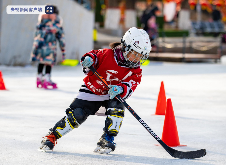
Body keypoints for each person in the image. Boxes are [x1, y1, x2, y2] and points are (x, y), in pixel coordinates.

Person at [39, 27, 152, 154]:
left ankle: (107, 138)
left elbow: (131, 85)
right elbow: (93, 56)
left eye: (141, 55)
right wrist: (88, 60)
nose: (137, 58)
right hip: (92, 90)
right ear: (125, 47)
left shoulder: (136, 71)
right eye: (135, 53)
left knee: (118, 105)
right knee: (77, 114)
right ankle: (52, 136)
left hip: (110, 95)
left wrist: (121, 88)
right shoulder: (107, 54)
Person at [31, 5, 66, 89]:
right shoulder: (57, 23)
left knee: (41, 62)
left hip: (39, 46)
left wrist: (35, 48)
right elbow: (61, 38)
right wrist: (63, 51)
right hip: (50, 47)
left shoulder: (41, 22)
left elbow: (36, 35)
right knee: (48, 62)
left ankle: (39, 79)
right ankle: (47, 79)